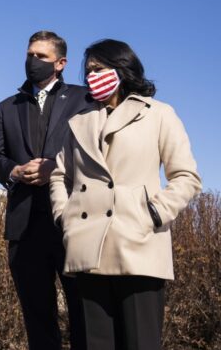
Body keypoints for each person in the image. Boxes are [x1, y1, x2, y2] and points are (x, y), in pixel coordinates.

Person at [50, 39, 201, 349]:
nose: (92, 75)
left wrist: (152, 214)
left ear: (122, 68)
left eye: (99, 68)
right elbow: (60, 175)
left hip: (138, 245)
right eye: (88, 70)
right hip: (87, 247)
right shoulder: (78, 122)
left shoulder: (159, 114)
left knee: (140, 343)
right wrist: (65, 218)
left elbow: (186, 177)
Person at [0, 30, 90, 350]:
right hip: (25, 226)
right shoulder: (7, 106)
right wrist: (14, 171)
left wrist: (55, 168)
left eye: (41, 56)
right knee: (37, 317)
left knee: (84, 315)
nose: (33, 61)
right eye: (30, 54)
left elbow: (94, 151)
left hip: (73, 221)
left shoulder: (84, 99)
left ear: (61, 63)